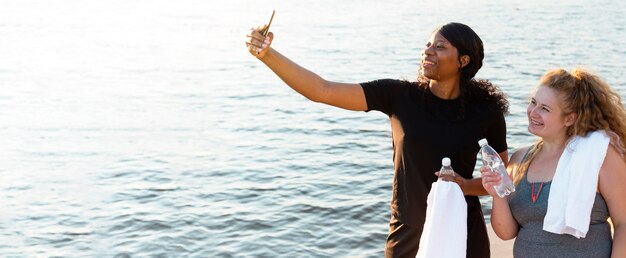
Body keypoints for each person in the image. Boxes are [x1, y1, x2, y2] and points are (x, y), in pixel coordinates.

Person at [246, 22, 509, 257]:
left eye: (440, 47)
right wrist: (267, 55)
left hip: (461, 227)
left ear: (462, 61)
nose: (428, 51)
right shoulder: (398, 96)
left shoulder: (485, 110)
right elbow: (322, 90)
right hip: (408, 232)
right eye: (427, 45)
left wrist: (463, 186)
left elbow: (501, 179)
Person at [481, 68, 626, 257]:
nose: (533, 112)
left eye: (545, 108)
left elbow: (623, 222)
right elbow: (507, 232)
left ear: (569, 118)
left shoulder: (598, 155)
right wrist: (497, 194)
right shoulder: (519, 159)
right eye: (533, 102)